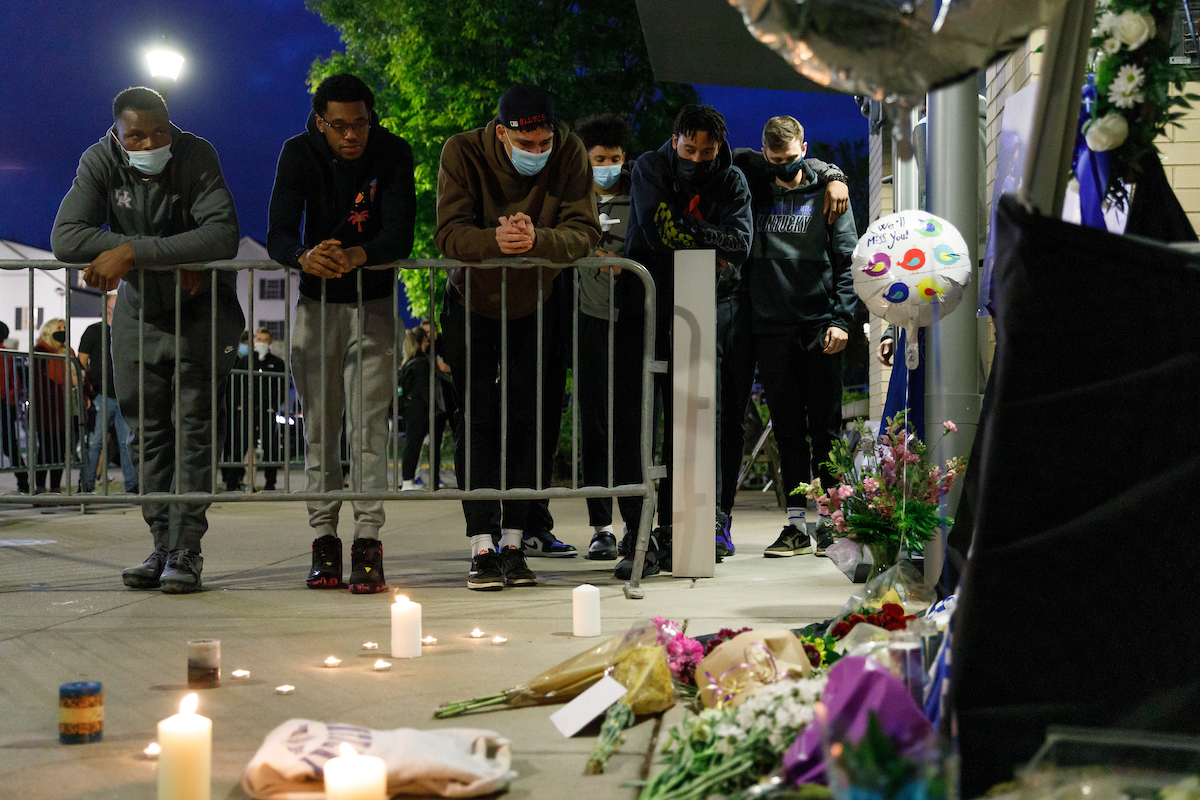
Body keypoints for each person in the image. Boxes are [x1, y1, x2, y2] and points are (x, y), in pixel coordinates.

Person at [51, 84, 243, 593]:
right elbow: (66, 236)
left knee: (193, 431)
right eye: (136, 135)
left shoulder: (196, 153)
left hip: (201, 313)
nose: (150, 142)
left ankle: (187, 549)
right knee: (146, 435)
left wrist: (133, 253)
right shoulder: (100, 160)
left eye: (159, 132)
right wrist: (160, 253)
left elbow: (222, 233)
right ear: (117, 134)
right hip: (139, 318)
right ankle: (161, 543)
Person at [435, 83, 600, 591]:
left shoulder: (569, 150)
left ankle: (514, 540)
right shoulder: (461, 150)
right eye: (525, 145)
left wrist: (539, 240)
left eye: (543, 143)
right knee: (479, 419)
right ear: (502, 133)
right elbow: (448, 233)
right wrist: (494, 241)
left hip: (540, 300)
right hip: (472, 301)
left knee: (534, 420)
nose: (537, 153)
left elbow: (585, 229)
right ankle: (481, 545)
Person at [267, 72, 416, 593]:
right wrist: (303, 255)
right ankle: (324, 539)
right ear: (319, 123)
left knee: (368, 431)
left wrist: (356, 254)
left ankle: (369, 542)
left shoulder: (394, 152)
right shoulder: (297, 152)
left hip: (373, 305)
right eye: (339, 126)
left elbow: (400, 231)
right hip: (316, 306)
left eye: (360, 124)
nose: (351, 135)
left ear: (372, 120)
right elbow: (279, 231)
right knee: (320, 431)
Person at [623, 104, 753, 579]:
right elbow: (660, 233)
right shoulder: (648, 167)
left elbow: (742, 243)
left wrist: (693, 235)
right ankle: (636, 535)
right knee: (639, 423)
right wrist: (710, 242)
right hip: (647, 310)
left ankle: (693, 529)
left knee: (697, 424)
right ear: (674, 139)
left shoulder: (733, 181)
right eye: (689, 148)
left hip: (702, 311)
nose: (697, 158)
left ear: (720, 146)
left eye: (707, 150)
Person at [734, 116, 859, 558]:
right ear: (766, 153)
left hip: (820, 324)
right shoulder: (754, 187)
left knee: (824, 428)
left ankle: (831, 523)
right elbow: (735, 158)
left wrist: (842, 320)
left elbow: (848, 263)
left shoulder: (830, 197)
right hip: (771, 326)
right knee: (787, 429)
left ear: (805, 147)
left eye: (792, 158)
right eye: (776, 159)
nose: (785, 166)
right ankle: (794, 526)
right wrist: (833, 169)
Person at [571, 112, 644, 562]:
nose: (609, 165)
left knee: (631, 425)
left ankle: (636, 521)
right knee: (594, 425)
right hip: (587, 321)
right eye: (600, 158)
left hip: (631, 320)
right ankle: (600, 525)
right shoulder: (571, 201)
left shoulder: (639, 195)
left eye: (616, 158)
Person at [78, 294, 138, 493]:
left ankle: (132, 487)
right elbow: (81, 363)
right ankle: (86, 486)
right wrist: (87, 390)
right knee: (94, 443)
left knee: (126, 443)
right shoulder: (94, 331)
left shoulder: (130, 330)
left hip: (125, 395)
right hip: (100, 395)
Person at [223, 327, 287, 492]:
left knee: (270, 448)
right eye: (258, 339)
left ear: (270, 342)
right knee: (240, 447)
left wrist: (273, 406)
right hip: (246, 411)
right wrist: (238, 404)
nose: (261, 343)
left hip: (267, 411)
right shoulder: (244, 362)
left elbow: (282, 387)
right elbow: (235, 384)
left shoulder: (277, 363)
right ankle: (232, 483)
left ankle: (270, 484)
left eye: (264, 340)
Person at [31, 319, 81, 494]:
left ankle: (54, 489)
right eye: (58, 328)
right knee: (45, 448)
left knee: (61, 450)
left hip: (65, 406)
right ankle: (39, 488)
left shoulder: (69, 350)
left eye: (64, 328)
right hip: (46, 406)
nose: (62, 330)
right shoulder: (41, 349)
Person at [399, 327, 448, 491]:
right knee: (414, 444)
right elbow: (424, 389)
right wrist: (433, 407)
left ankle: (408, 479)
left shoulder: (410, 360)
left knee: (413, 443)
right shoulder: (421, 362)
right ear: (422, 342)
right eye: (427, 340)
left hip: (410, 408)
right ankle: (407, 481)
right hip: (418, 409)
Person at [0, 321, 30, 494]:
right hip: (6, 402)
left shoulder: (6, 354)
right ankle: (23, 480)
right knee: (9, 445)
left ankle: (23, 480)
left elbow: (10, 380)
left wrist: (9, 396)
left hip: (4, 402)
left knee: (9, 445)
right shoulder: (7, 353)